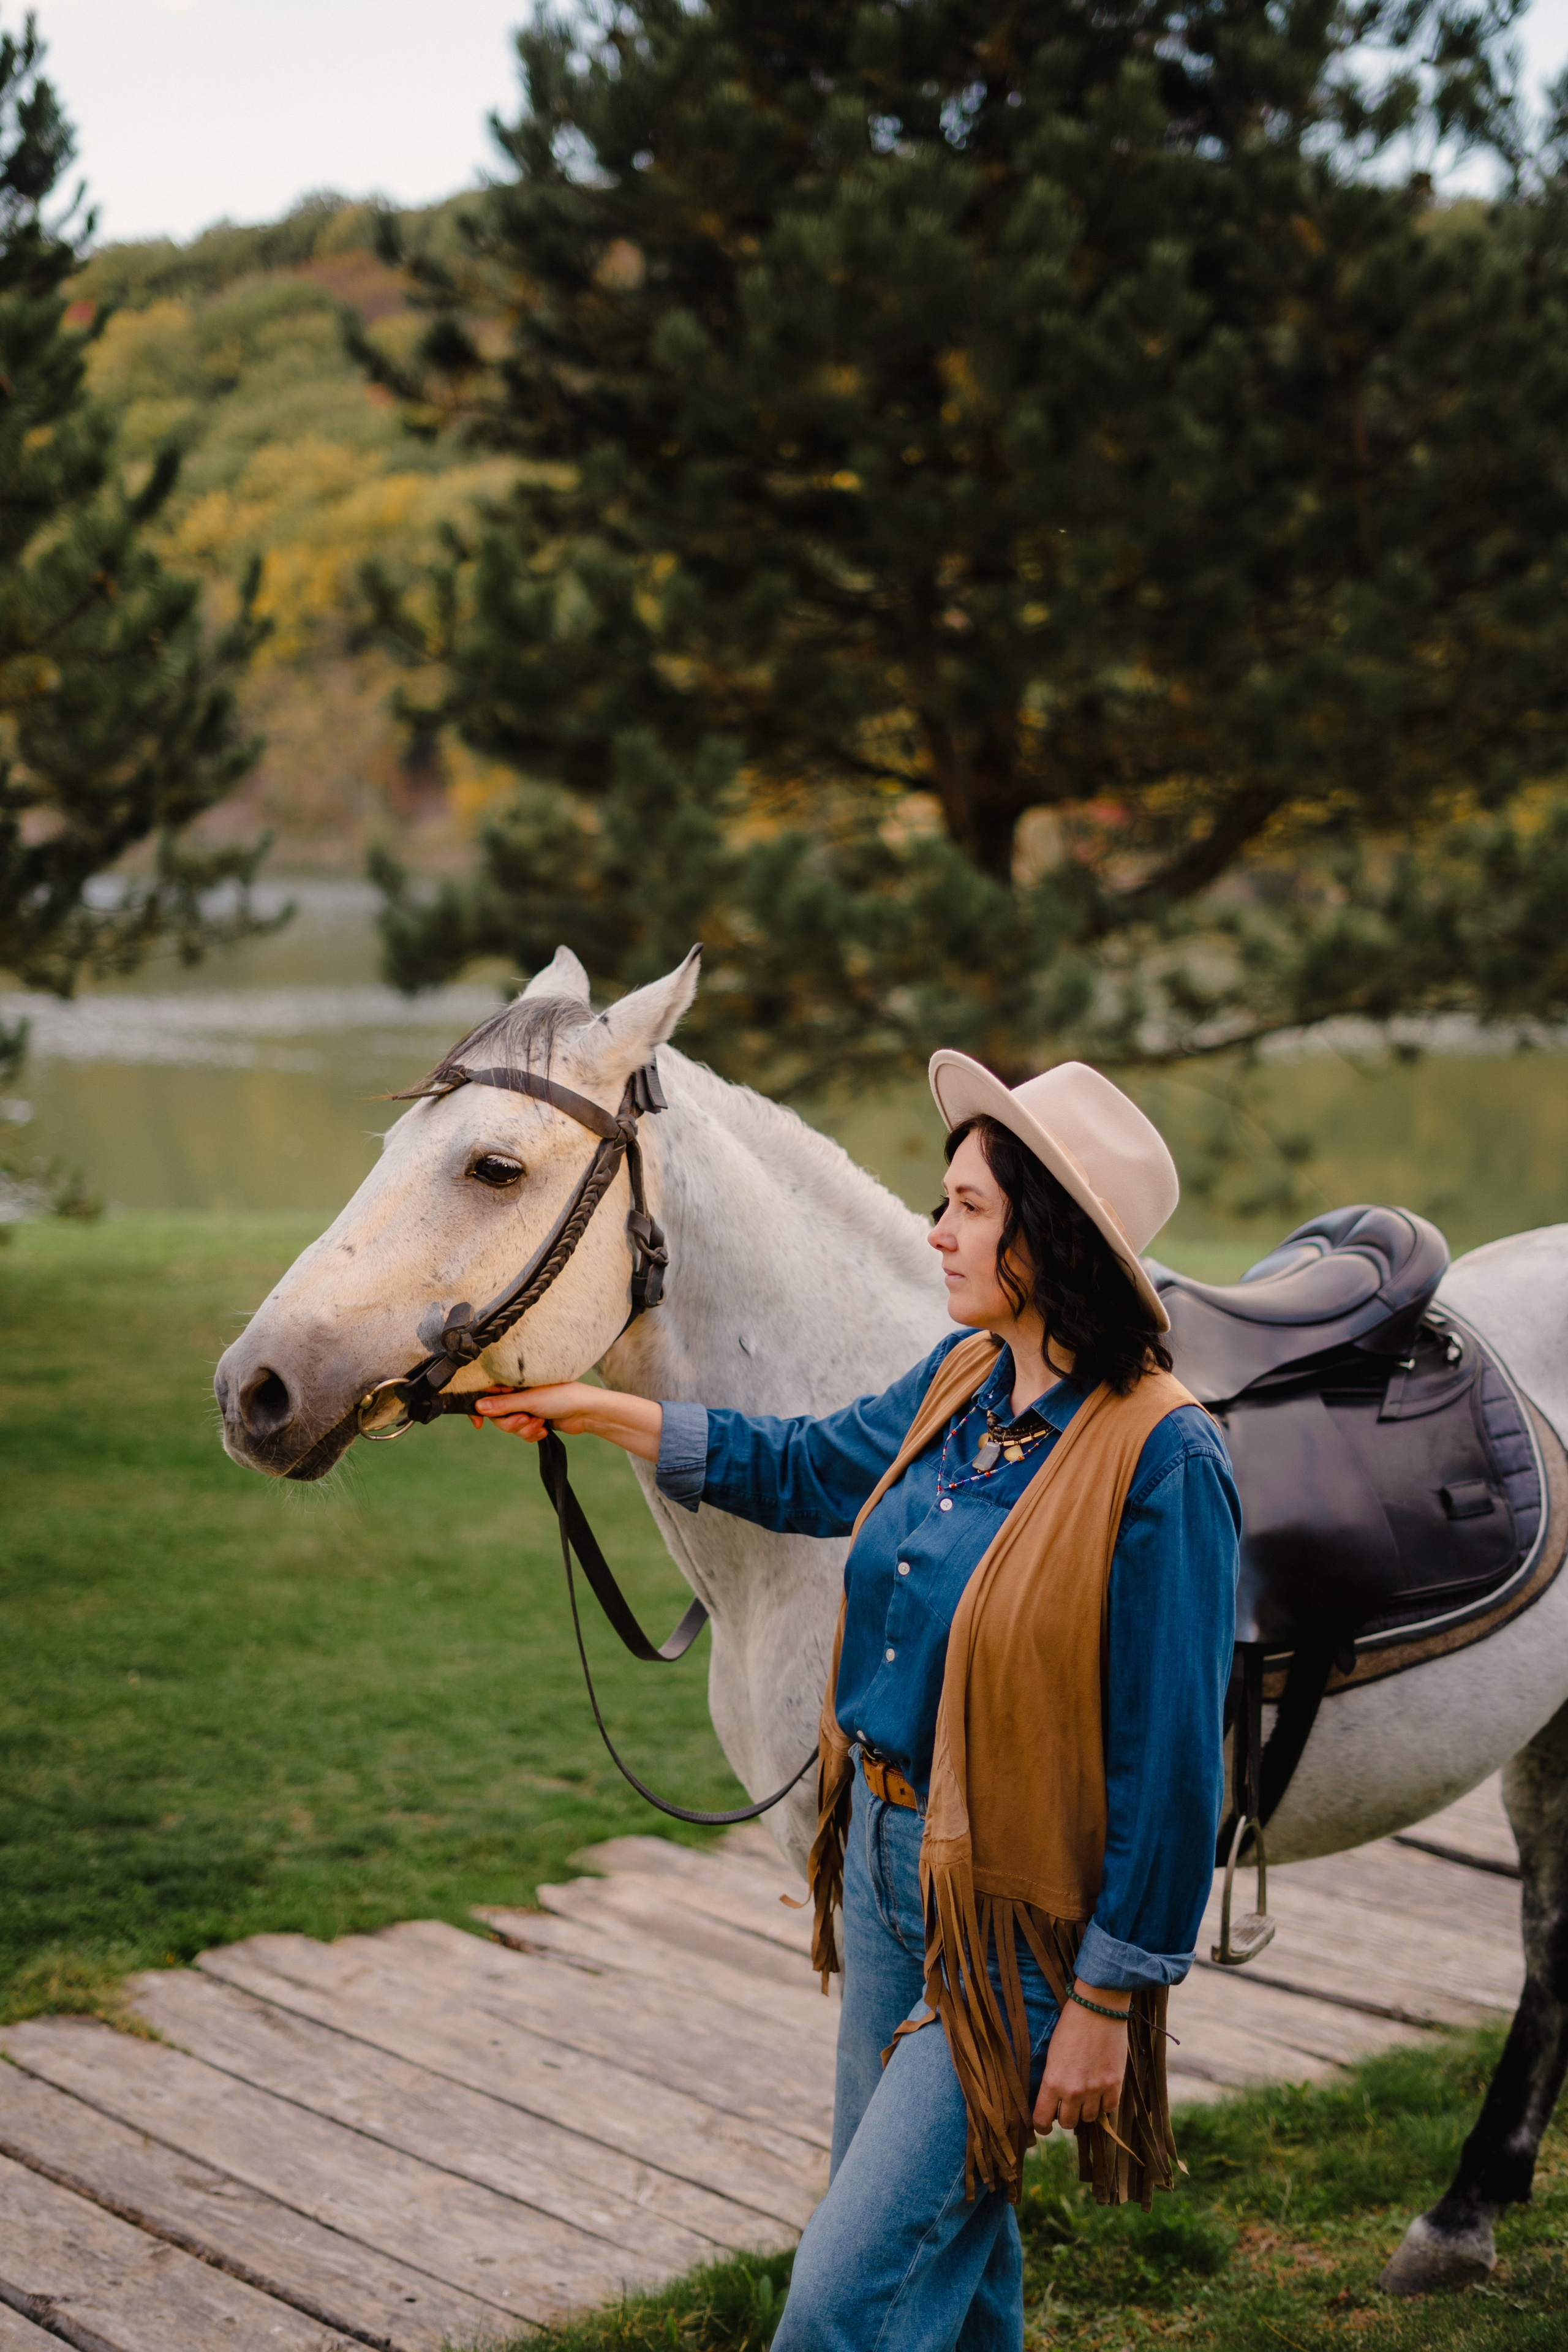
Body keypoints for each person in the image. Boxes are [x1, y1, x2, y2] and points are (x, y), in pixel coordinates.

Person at [473, 1053, 1240, 2352]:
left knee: (839, 2302)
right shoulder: (963, 1383)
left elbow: (1168, 1766)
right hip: (884, 1868)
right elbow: (808, 1466)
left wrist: (1111, 2000)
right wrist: (606, 1412)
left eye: (964, 1209)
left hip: (1012, 1917)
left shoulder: (1162, 1456)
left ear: (1046, 1241)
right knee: (958, 2246)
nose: (932, 1229)